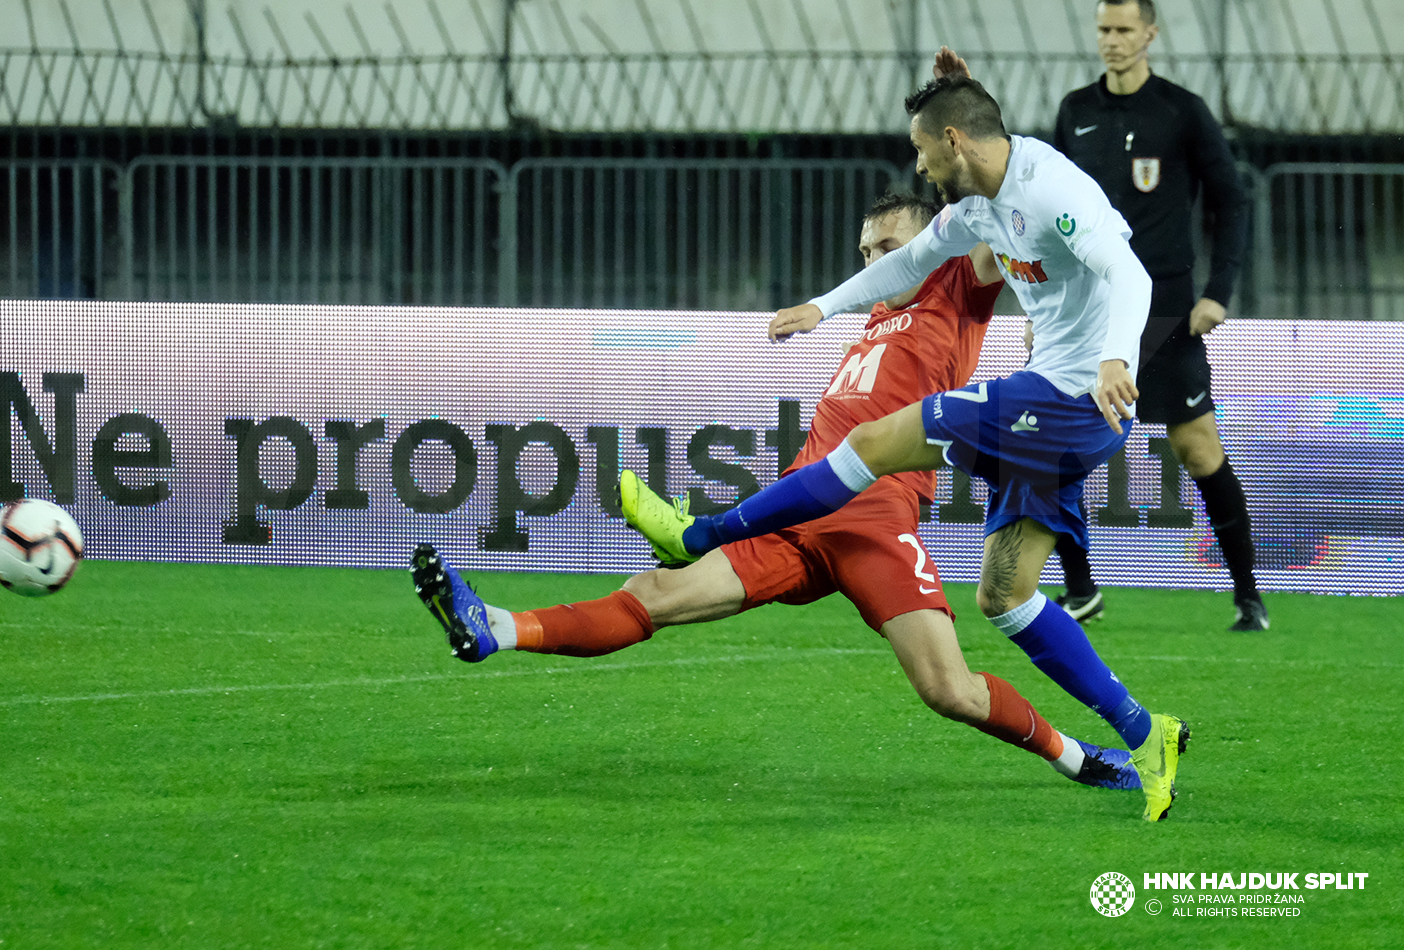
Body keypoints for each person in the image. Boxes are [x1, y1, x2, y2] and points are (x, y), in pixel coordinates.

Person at [410, 192, 1144, 802]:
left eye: (888, 244)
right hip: (799, 514)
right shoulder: (871, 321)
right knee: (654, 593)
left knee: (948, 689)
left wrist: (966, 116)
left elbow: (1000, 200)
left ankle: (1077, 757)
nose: (873, 261)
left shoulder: (959, 289)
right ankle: (494, 626)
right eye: (863, 252)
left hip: (870, 521)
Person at [619, 74, 1190, 821]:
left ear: (953, 140)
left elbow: (1130, 272)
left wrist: (1118, 357)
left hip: (1071, 397)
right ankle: (1150, 736)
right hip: (1055, 408)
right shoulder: (979, 207)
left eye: (922, 150)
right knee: (1005, 599)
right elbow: (905, 264)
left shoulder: (1051, 188)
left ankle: (697, 533)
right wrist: (821, 307)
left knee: (873, 443)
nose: (918, 168)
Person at [1052, 0, 1263, 631]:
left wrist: (1219, 290)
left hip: (1166, 307)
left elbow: (1234, 201)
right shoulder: (1075, 111)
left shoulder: (1183, 111)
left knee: (1197, 447)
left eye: (1123, 30)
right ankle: (1080, 588)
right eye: (1103, 30)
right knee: (1055, 446)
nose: (1111, 41)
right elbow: (1053, 213)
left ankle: (1248, 597)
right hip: (1085, 310)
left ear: (1150, 34)